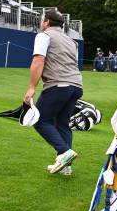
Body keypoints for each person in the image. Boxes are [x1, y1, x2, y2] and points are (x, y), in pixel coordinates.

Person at [24, 10, 83, 175]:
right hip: (76, 86)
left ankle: (65, 152)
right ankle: (66, 167)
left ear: (47, 22)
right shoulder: (72, 41)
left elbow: (38, 60)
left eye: (43, 20)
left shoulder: (44, 36)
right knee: (62, 124)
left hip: (59, 85)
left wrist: (31, 88)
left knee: (39, 120)